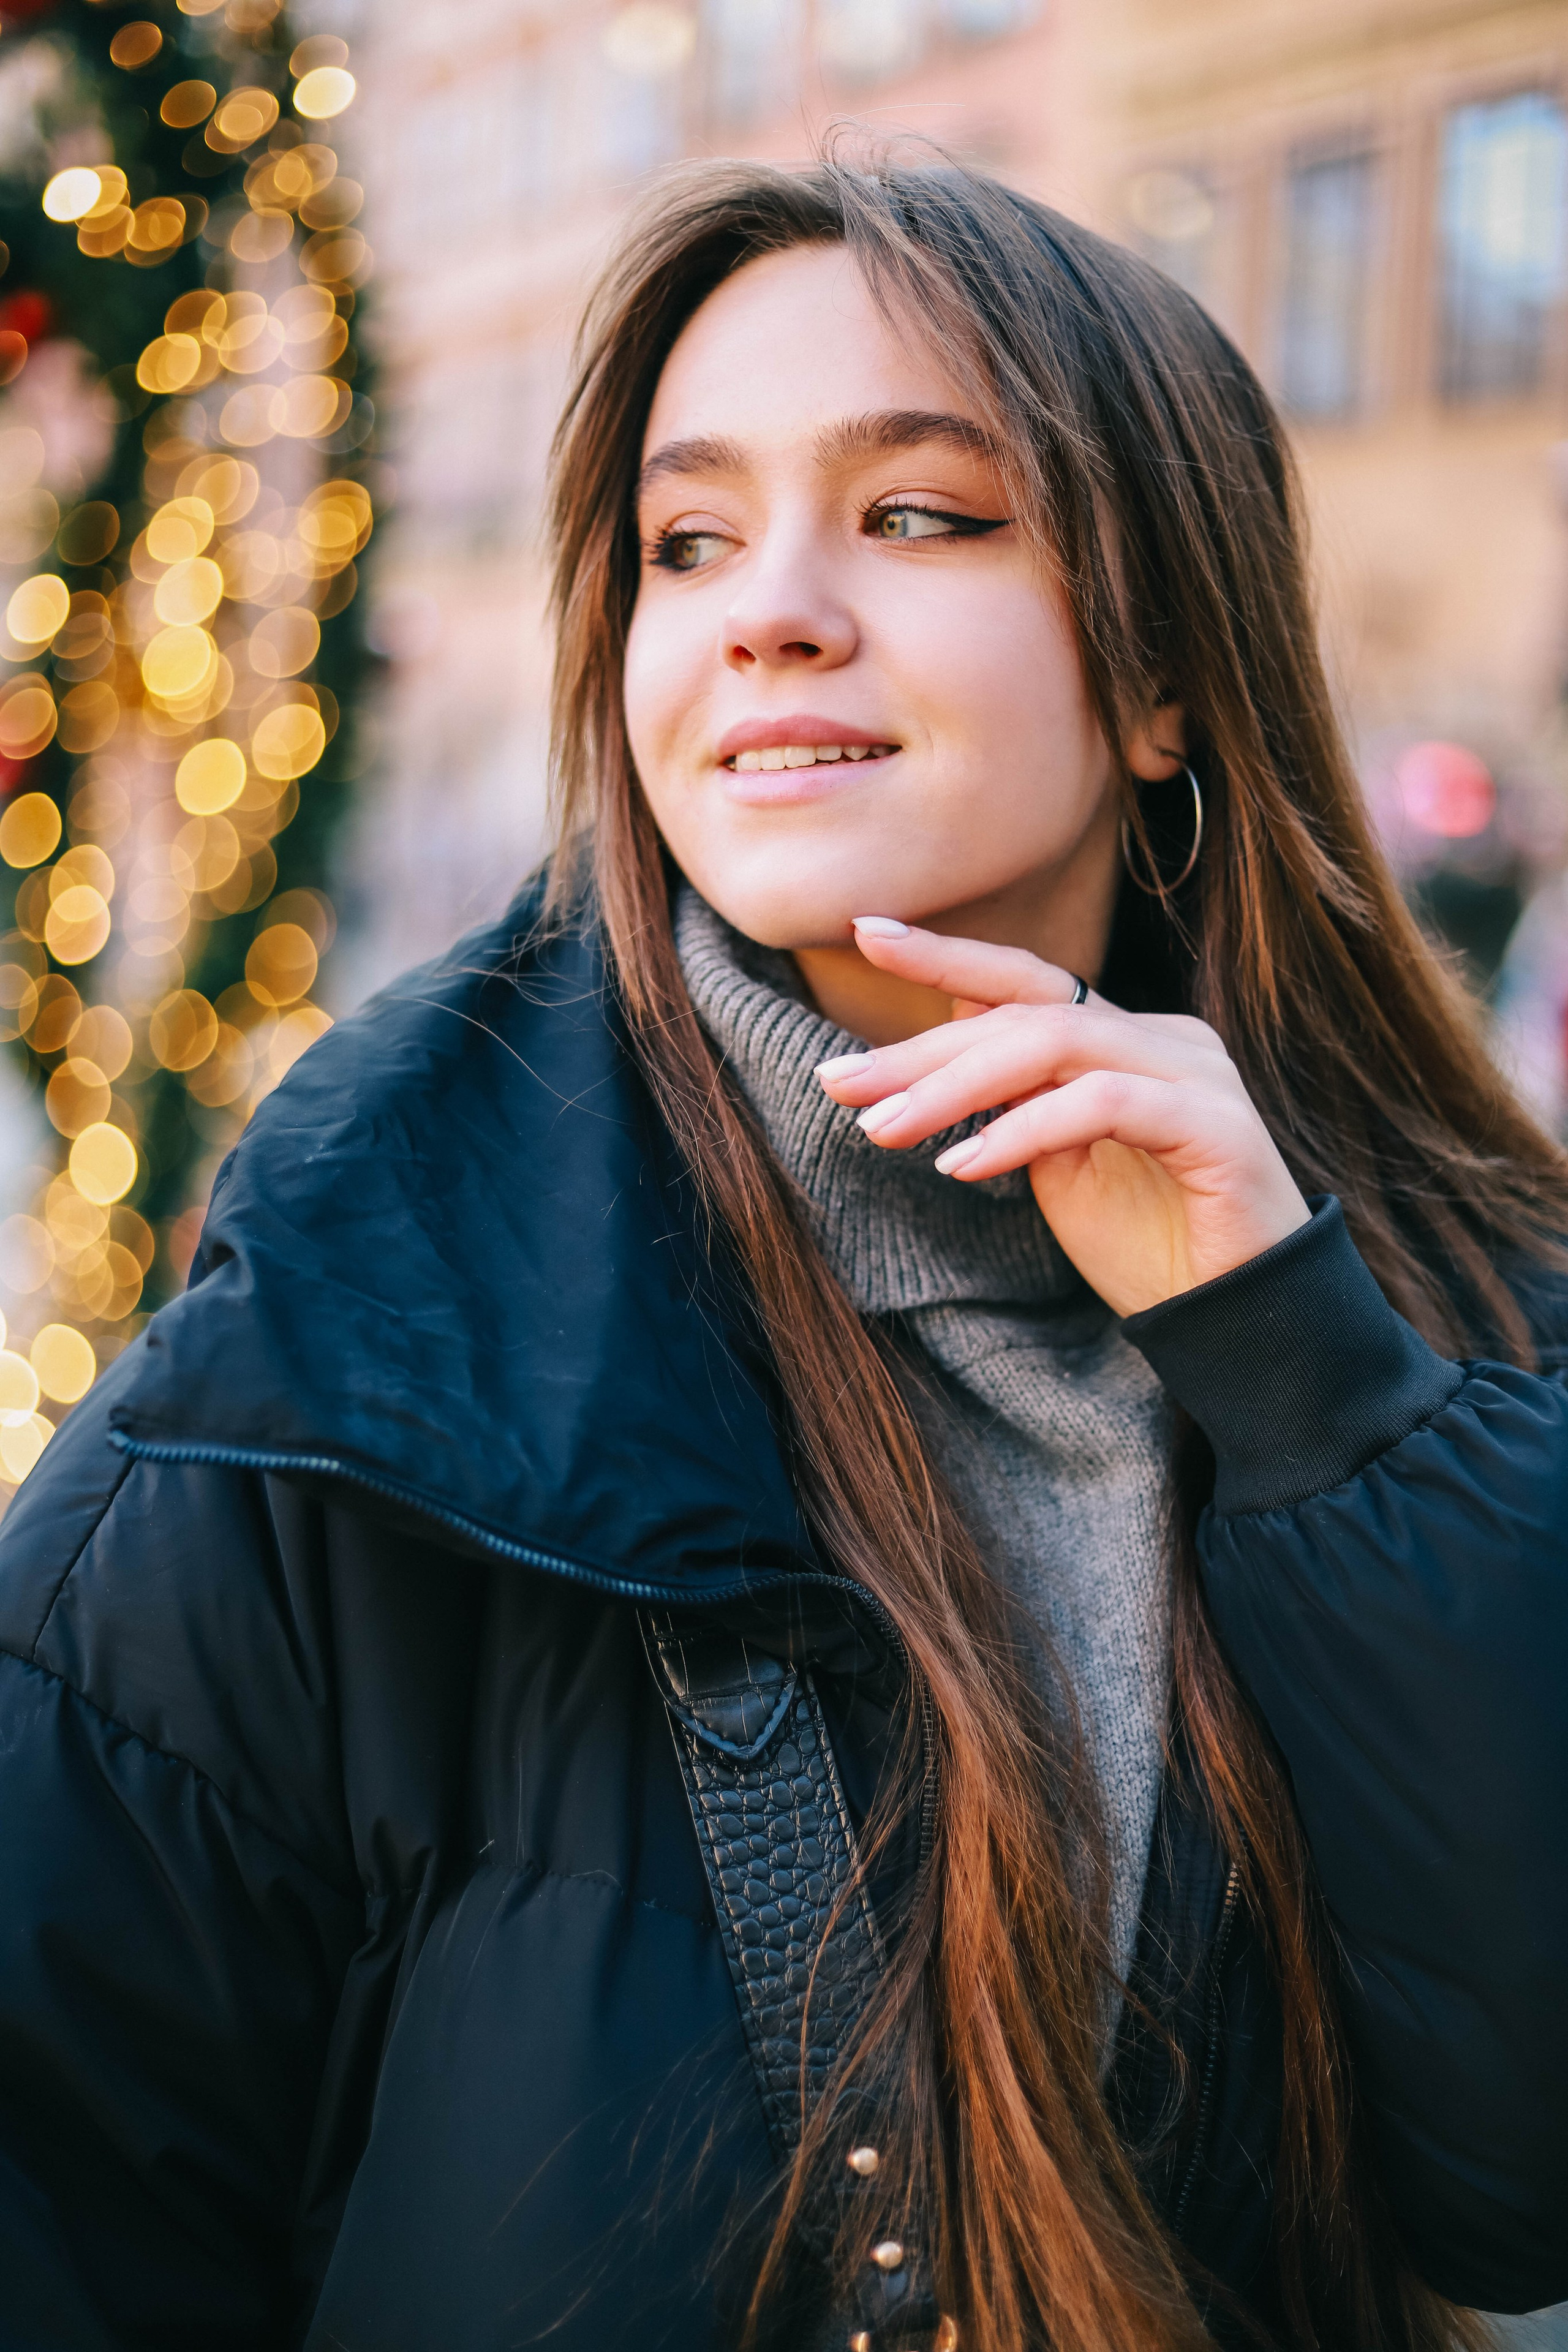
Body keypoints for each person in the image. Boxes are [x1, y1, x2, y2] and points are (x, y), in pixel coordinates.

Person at [1, 150, 1564, 2352]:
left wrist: (1305, 1380)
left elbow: (1521, 2191)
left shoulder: (1457, 1328)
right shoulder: (330, 1391)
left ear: (1169, 681)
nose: (769, 609)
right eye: (688, 540)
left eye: (922, 514)